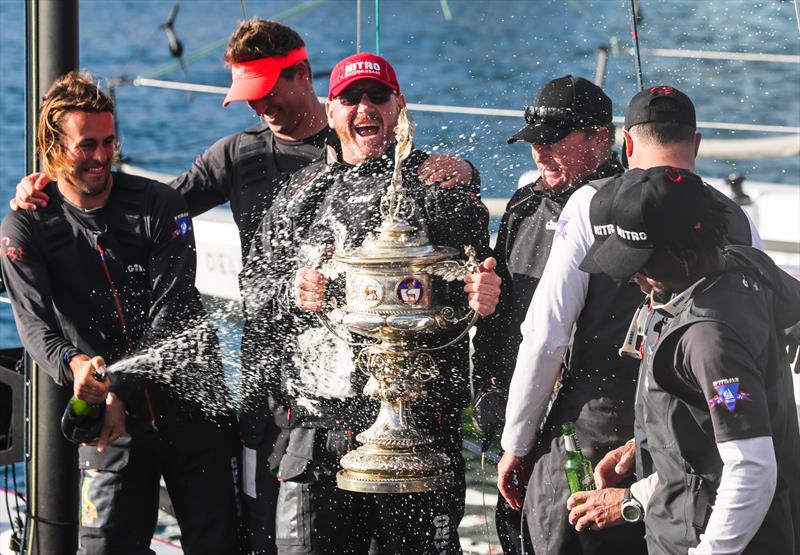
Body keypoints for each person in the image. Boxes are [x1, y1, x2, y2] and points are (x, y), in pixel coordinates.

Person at [9, 19, 474, 554]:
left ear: (303, 76)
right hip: (276, 389)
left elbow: (437, 225)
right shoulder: (239, 154)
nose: (261, 107)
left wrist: (462, 168)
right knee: (265, 532)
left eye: (268, 91)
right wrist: (52, 183)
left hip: (372, 391)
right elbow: (144, 208)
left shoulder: (366, 141)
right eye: (249, 97)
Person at [242, 52, 501, 554]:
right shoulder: (300, 193)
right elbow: (254, 289)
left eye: (377, 96)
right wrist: (293, 291)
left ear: (399, 105)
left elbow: (484, 274)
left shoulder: (440, 187)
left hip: (418, 434)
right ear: (331, 110)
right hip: (317, 434)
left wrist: (486, 291)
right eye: (350, 98)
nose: (366, 107)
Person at [496, 85, 760, 555]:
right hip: (694, 442)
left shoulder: (589, 205)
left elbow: (546, 334)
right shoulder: (736, 219)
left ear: (627, 144)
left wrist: (516, 440)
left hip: (593, 437)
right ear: (695, 144)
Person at [0, 72, 241, 554]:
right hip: (111, 421)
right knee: (106, 546)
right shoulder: (26, 225)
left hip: (191, 404)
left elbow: (169, 313)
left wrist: (113, 386)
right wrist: (76, 369)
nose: (101, 156)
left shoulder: (159, 205)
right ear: (52, 146)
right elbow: (33, 322)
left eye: (109, 141)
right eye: (86, 144)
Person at [574, 165, 800, 554]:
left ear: (680, 252)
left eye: (642, 263)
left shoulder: (707, 338)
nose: (633, 278)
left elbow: (751, 468)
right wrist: (645, 454)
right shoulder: (747, 264)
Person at [470, 74, 623, 553]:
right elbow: (498, 313)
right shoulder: (524, 202)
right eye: (534, 141)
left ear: (602, 137)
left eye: (554, 140)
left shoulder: (624, 207)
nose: (539, 153)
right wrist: (481, 298)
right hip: (517, 415)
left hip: (584, 426)